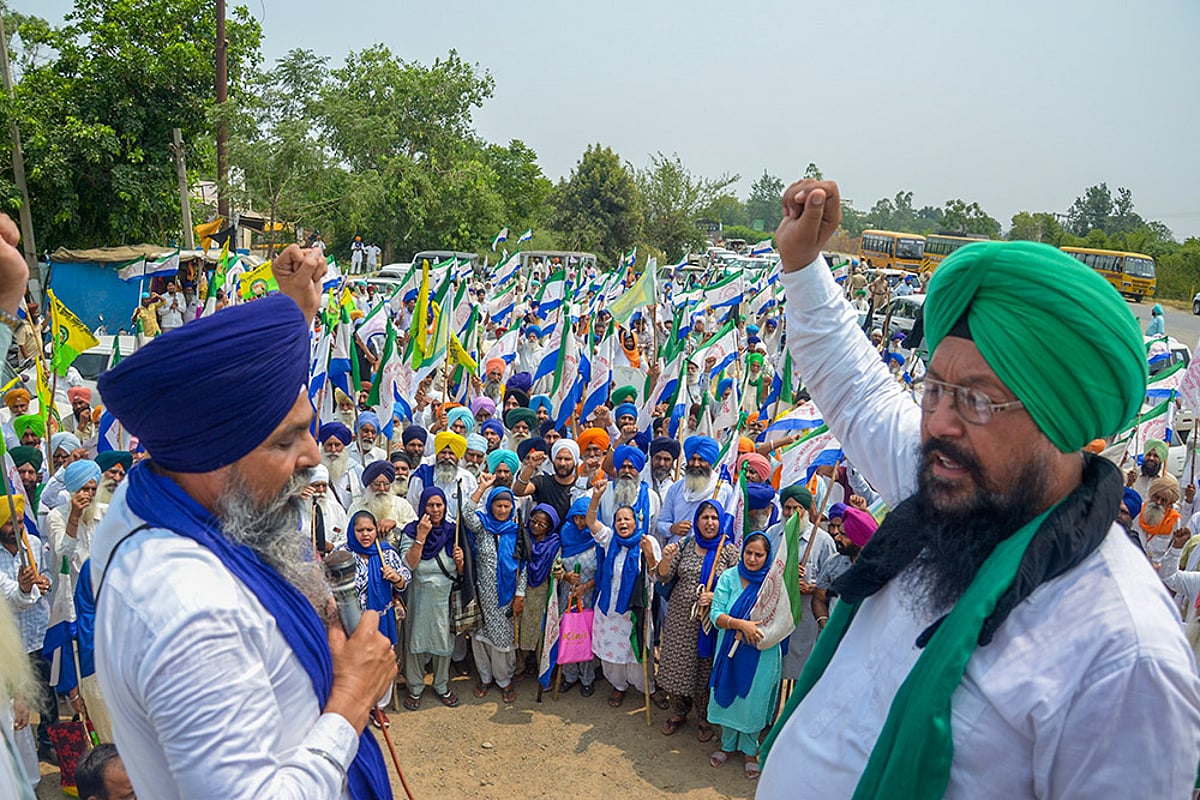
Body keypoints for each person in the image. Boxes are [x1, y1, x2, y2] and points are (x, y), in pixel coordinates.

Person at [756, 177, 1200, 797]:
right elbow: (858, 387)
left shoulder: (1123, 655)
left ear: (1059, 419)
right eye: (935, 387)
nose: (937, 422)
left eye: (978, 399)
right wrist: (802, 262)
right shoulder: (951, 490)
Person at [91, 248, 397, 798]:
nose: (313, 457)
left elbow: (235, 398)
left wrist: (296, 312)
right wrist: (351, 698)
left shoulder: (163, 490)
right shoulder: (189, 610)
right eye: (286, 441)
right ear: (213, 456)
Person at [655, 499, 739, 741]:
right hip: (680, 620)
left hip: (710, 623)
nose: (710, 522)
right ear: (697, 521)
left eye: (714, 518)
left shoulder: (729, 550)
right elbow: (664, 577)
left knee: (704, 668)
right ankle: (679, 712)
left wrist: (715, 596)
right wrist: (666, 559)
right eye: (705, 517)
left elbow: (738, 586)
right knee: (678, 667)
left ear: (721, 520)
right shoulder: (686, 544)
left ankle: (703, 717)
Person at [707, 532, 779, 780]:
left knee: (753, 700)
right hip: (729, 648)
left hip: (761, 650)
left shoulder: (773, 583)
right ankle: (727, 744)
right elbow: (716, 614)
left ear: (767, 556)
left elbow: (781, 619)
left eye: (759, 555)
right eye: (748, 552)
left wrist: (754, 630)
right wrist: (740, 625)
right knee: (727, 694)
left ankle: (750, 751)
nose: (752, 558)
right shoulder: (728, 577)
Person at [584, 478, 662, 709]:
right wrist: (596, 497)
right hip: (609, 609)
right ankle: (618, 686)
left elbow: (657, 576)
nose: (622, 523)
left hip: (635, 609)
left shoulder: (648, 542)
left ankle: (648, 688)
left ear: (636, 521)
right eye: (618, 519)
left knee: (638, 650)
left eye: (627, 519)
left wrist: (649, 555)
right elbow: (591, 522)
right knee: (612, 652)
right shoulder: (610, 540)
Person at [397, 487, 463, 710]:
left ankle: (442, 685)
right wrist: (421, 537)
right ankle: (415, 688)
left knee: (444, 642)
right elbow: (409, 565)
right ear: (422, 507)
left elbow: (462, 571)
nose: (435, 510)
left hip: (444, 598)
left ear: (445, 506)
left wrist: (461, 561)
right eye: (430, 505)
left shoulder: (453, 531)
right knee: (414, 641)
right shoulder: (410, 531)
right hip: (418, 595)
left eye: (439, 505)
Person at [338, 510, 408, 710]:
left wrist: (396, 578)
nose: (366, 534)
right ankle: (360, 707)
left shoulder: (386, 552)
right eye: (360, 530)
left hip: (381, 620)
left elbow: (404, 580)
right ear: (352, 531)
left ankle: (380, 706)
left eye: (370, 529)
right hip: (352, 621)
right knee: (356, 664)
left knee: (382, 663)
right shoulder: (342, 555)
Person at [461, 483, 523, 703]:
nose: (503, 510)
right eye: (498, 505)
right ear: (491, 505)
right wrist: (482, 486)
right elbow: (467, 513)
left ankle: (504, 680)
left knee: (502, 641)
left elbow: (523, 565)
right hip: (481, 593)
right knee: (480, 639)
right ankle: (485, 678)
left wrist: (520, 594)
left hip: (505, 597)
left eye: (507, 506)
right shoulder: (482, 527)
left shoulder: (517, 532)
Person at [552, 497, 600, 696]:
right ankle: (569, 675)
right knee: (569, 633)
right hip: (568, 595)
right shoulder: (565, 533)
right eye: (577, 518)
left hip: (589, 597)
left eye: (584, 518)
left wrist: (586, 586)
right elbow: (556, 564)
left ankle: (587, 678)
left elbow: (604, 572)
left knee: (585, 635)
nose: (580, 523)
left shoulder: (597, 538)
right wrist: (565, 575)